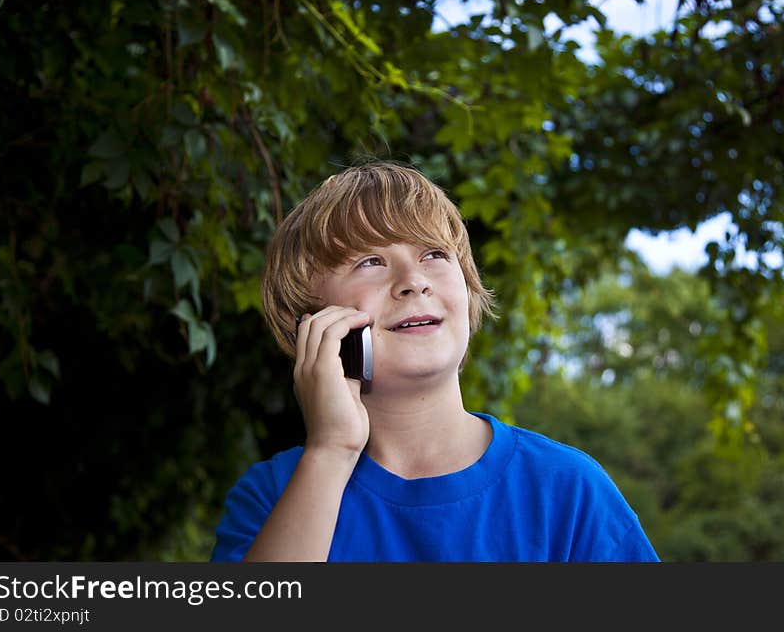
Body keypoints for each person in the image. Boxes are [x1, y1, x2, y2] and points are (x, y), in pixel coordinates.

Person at [210, 161, 659, 562]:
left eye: (434, 255)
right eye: (370, 261)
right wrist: (330, 453)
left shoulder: (566, 490)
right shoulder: (274, 495)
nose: (414, 281)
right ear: (309, 322)